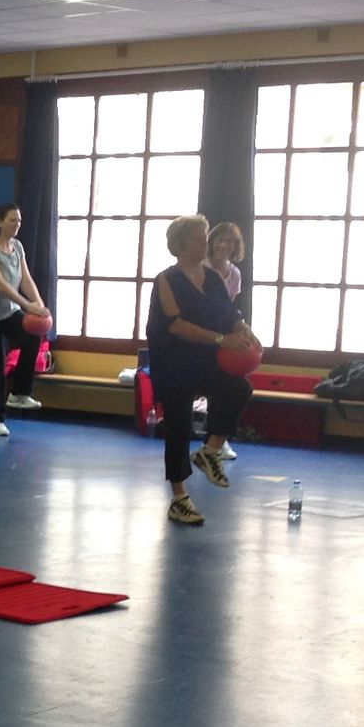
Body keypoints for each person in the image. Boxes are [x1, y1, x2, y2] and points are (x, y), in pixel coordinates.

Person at [146, 216, 259, 527]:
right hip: (173, 361)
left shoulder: (212, 278)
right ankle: (180, 498)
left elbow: (229, 314)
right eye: (199, 238)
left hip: (204, 358)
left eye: (205, 237)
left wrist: (246, 331)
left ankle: (210, 451)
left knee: (239, 389)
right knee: (179, 427)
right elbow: (176, 325)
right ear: (181, 244)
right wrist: (223, 339)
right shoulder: (166, 279)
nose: (205, 242)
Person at [0, 202, 49, 437]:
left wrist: (39, 305)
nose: (17, 224)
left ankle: (19, 393)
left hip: (9, 312)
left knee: (32, 336)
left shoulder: (18, 246)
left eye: (19, 221)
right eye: (12, 220)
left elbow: (26, 278)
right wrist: (27, 305)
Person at [205, 220, 248, 462]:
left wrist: (241, 332)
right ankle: (213, 441)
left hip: (223, 334)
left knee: (234, 385)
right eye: (220, 239)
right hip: (201, 336)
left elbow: (228, 309)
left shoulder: (235, 273)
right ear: (212, 242)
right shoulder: (200, 267)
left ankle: (218, 441)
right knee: (222, 386)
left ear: (235, 247)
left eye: (229, 241)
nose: (224, 245)